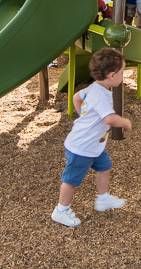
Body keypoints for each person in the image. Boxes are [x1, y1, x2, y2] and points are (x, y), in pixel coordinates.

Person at [52, 48, 132, 227]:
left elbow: (76, 97)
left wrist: (83, 114)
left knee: (105, 167)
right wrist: (125, 122)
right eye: (122, 72)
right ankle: (61, 210)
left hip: (93, 146)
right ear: (112, 75)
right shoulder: (102, 95)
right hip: (81, 148)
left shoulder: (93, 87)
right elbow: (110, 118)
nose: (122, 76)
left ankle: (103, 199)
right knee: (71, 180)